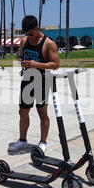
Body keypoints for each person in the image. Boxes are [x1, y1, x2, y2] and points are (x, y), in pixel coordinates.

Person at [8, 15, 60, 153]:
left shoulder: (48, 43)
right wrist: (22, 60)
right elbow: (21, 55)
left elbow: (56, 64)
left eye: (31, 33)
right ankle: (22, 140)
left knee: (42, 112)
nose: (29, 36)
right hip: (27, 79)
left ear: (37, 28)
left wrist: (36, 64)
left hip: (42, 80)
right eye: (27, 34)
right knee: (23, 111)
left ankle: (43, 142)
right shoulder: (24, 41)